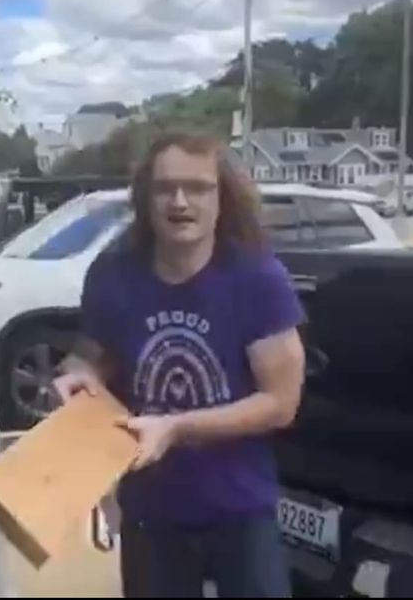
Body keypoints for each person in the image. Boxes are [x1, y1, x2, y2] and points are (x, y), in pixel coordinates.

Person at [54, 132, 306, 598]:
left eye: (198, 188)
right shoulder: (113, 275)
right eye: (164, 188)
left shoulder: (256, 279)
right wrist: (77, 378)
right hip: (150, 512)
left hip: (239, 510)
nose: (180, 201)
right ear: (144, 198)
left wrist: (175, 427)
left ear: (222, 196)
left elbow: (281, 402)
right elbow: (88, 359)